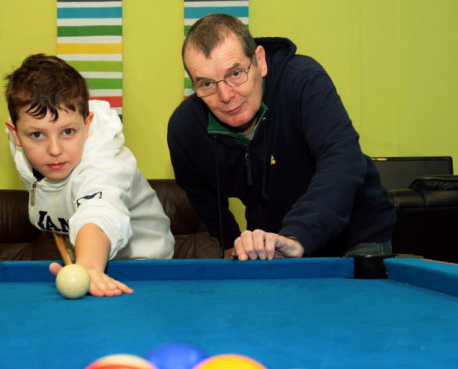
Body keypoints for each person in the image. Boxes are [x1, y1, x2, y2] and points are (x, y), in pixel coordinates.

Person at [167, 14, 396, 261]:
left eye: (235, 74)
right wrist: (229, 241)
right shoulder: (185, 128)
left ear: (260, 61)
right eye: (207, 84)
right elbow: (200, 193)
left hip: (356, 235)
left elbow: (342, 160)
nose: (225, 95)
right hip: (278, 244)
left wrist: (299, 236)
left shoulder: (302, 80)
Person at [5, 54, 174, 296]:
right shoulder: (26, 147)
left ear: (88, 123)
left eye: (68, 131)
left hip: (147, 270)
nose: (54, 150)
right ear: (15, 133)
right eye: (37, 135)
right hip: (89, 267)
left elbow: (100, 210)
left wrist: (88, 267)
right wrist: (86, 266)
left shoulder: (105, 160)